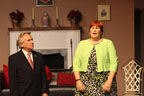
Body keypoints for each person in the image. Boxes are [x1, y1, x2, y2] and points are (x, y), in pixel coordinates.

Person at [73, 20, 118, 96]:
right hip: (85, 82)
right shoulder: (82, 44)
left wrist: (109, 81)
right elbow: (76, 63)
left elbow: (114, 63)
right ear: (89, 31)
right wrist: (78, 80)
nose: (94, 30)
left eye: (97, 28)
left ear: (101, 31)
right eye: (92, 28)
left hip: (104, 81)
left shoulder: (108, 43)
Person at [8, 32, 49, 96]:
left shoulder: (39, 56)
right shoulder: (13, 59)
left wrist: (45, 92)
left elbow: (43, 77)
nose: (32, 42)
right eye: (29, 40)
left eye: (32, 39)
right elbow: (13, 83)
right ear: (21, 44)